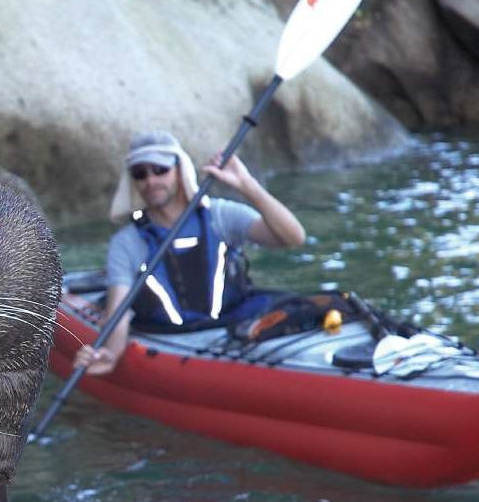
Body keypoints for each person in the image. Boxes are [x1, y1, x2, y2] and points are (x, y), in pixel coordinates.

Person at [74, 130, 306, 376]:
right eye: (140, 174)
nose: (150, 181)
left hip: (235, 322)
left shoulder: (220, 215)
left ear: (179, 170)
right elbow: (118, 313)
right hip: (172, 335)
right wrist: (110, 354)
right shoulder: (126, 242)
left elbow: (293, 238)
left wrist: (247, 186)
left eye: (160, 170)